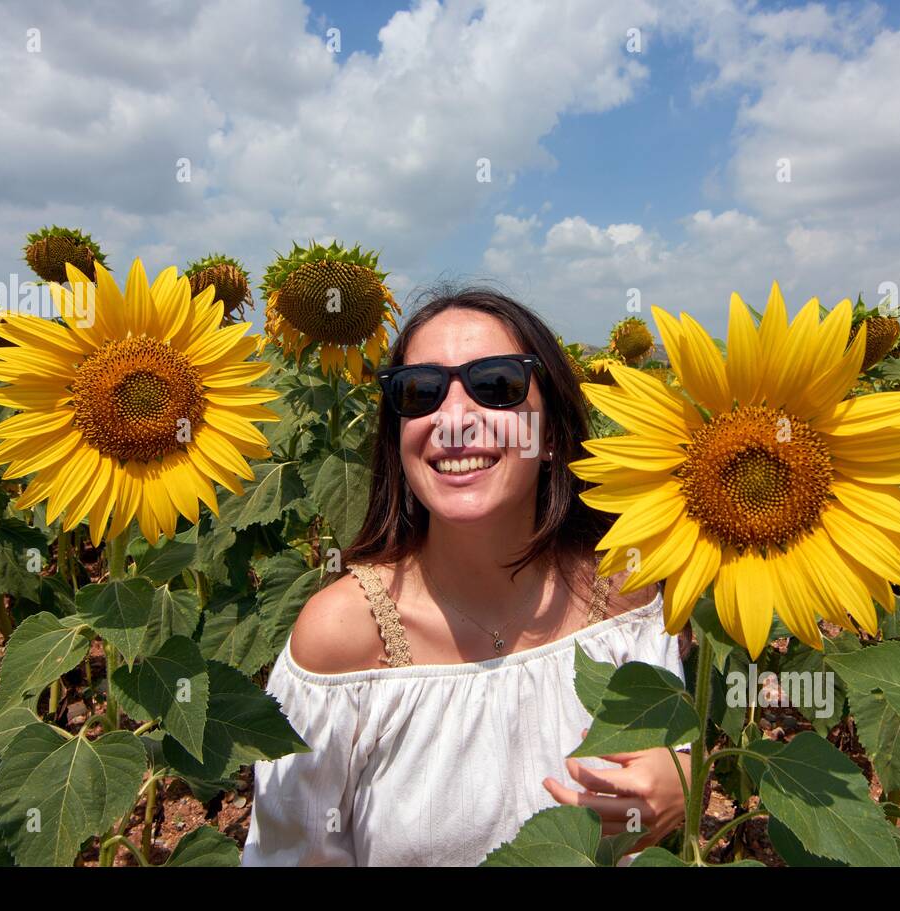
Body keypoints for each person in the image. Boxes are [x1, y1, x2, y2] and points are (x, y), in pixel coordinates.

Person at [241, 287, 697, 866]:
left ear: (552, 435)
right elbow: (291, 856)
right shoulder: (343, 642)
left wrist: (679, 776)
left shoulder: (627, 587)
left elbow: (674, 743)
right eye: (419, 391)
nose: (453, 419)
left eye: (498, 385)